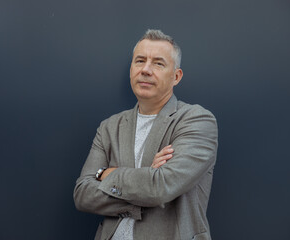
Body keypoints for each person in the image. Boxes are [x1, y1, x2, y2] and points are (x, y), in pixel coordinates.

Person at [73, 29, 218, 240]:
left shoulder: (196, 120)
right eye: (140, 61)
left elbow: (161, 187)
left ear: (176, 76)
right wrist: (147, 174)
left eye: (158, 63)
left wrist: (106, 173)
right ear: (131, 68)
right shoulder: (109, 127)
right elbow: (83, 195)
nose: (146, 70)